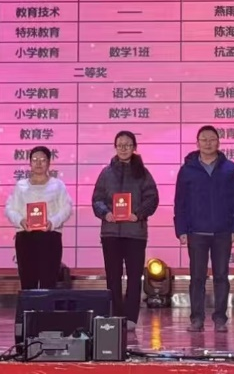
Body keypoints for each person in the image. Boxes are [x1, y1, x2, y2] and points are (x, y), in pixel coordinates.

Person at [173, 125, 234, 333]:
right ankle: (196, 318)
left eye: (212, 139)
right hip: (196, 232)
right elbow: (180, 202)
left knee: (221, 276)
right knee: (197, 277)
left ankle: (220, 318)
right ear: (197, 143)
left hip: (223, 232)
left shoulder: (229, 169)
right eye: (204, 140)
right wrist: (181, 229)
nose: (208, 143)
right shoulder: (187, 170)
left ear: (218, 142)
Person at [92, 131, 159, 332]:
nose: (123, 148)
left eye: (128, 145)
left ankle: (131, 318)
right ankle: (115, 315)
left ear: (134, 147)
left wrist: (137, 215)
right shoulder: (106, 173)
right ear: (115, 147)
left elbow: (152, 198)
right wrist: (105, 213)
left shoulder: (143, 173)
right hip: (111, 233)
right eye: (120, 145)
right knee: (113, 277)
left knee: (134, 277)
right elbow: (97, 199)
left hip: (135, 233)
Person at [5, 146, 74, 290]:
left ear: (49, 163)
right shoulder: (20, 186)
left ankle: (46, 306)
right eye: (35, 159)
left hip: (50, 237)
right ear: (30, 163)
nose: (38, 163)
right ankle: (28, 306)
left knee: (48, 280)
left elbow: (67, 208)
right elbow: (10, 208)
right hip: (26, 236)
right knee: (27, 281)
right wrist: (20, 221)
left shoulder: (58, 185)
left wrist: (53, 222)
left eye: (43, 160)